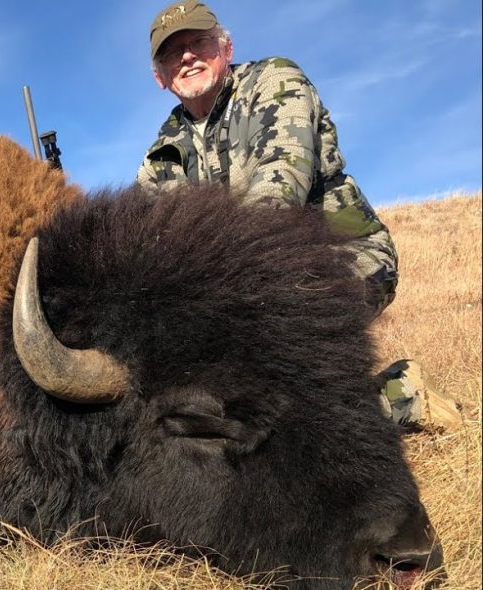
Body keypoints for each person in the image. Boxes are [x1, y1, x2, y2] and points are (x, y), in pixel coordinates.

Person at [137, 0, 462, 431]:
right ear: (160, 77)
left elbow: (279, 187)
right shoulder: (161, 154)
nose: (188, 56)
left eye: (198, 42)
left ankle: (404, 397)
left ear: (226, 48)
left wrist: (216, 305)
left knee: (273, 396)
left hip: (341, 255)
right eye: (172, 53)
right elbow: (149, 245)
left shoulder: (276, 82)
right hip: (235, 292)